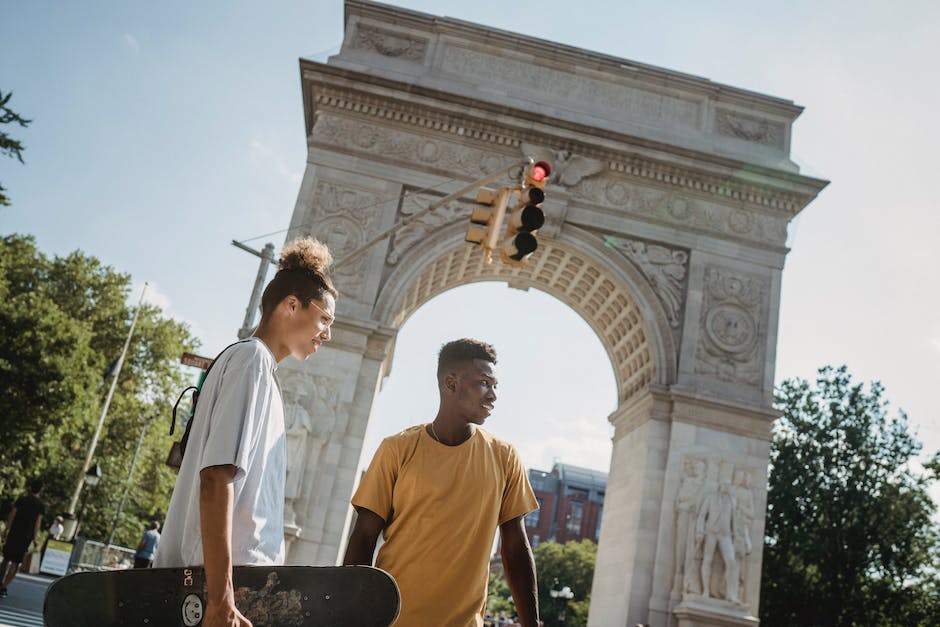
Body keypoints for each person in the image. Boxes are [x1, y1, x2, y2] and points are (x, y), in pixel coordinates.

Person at [155, 237, 337, 627]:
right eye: (325, 319)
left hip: (237, 589)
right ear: (291, 305)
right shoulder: (251, 361)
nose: (327, 333)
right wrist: (220, 600)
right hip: (219, 593)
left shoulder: (259, 370)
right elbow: (216, 479)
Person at [344, 339, 541, 626]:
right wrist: (350, 614)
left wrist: (532, 623)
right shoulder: (397, 449)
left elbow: (515, 548)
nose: (493, 395)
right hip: (392, 620)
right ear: (451, 383)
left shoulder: (504, 456)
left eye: (495, 385)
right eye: (484, 383)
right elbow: (363, 537)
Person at [0, 480, 45, 598]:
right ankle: (4, 586)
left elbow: (12, 515)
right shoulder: (40, 505)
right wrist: (35, 538)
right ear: (40, 490)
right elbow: (37, 523)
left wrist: (6, 530)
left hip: (14, 532)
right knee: (15, 562)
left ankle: (0, 581)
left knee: (6, 559)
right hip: (26, 536)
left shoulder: (21, 500)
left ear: (30, 488)